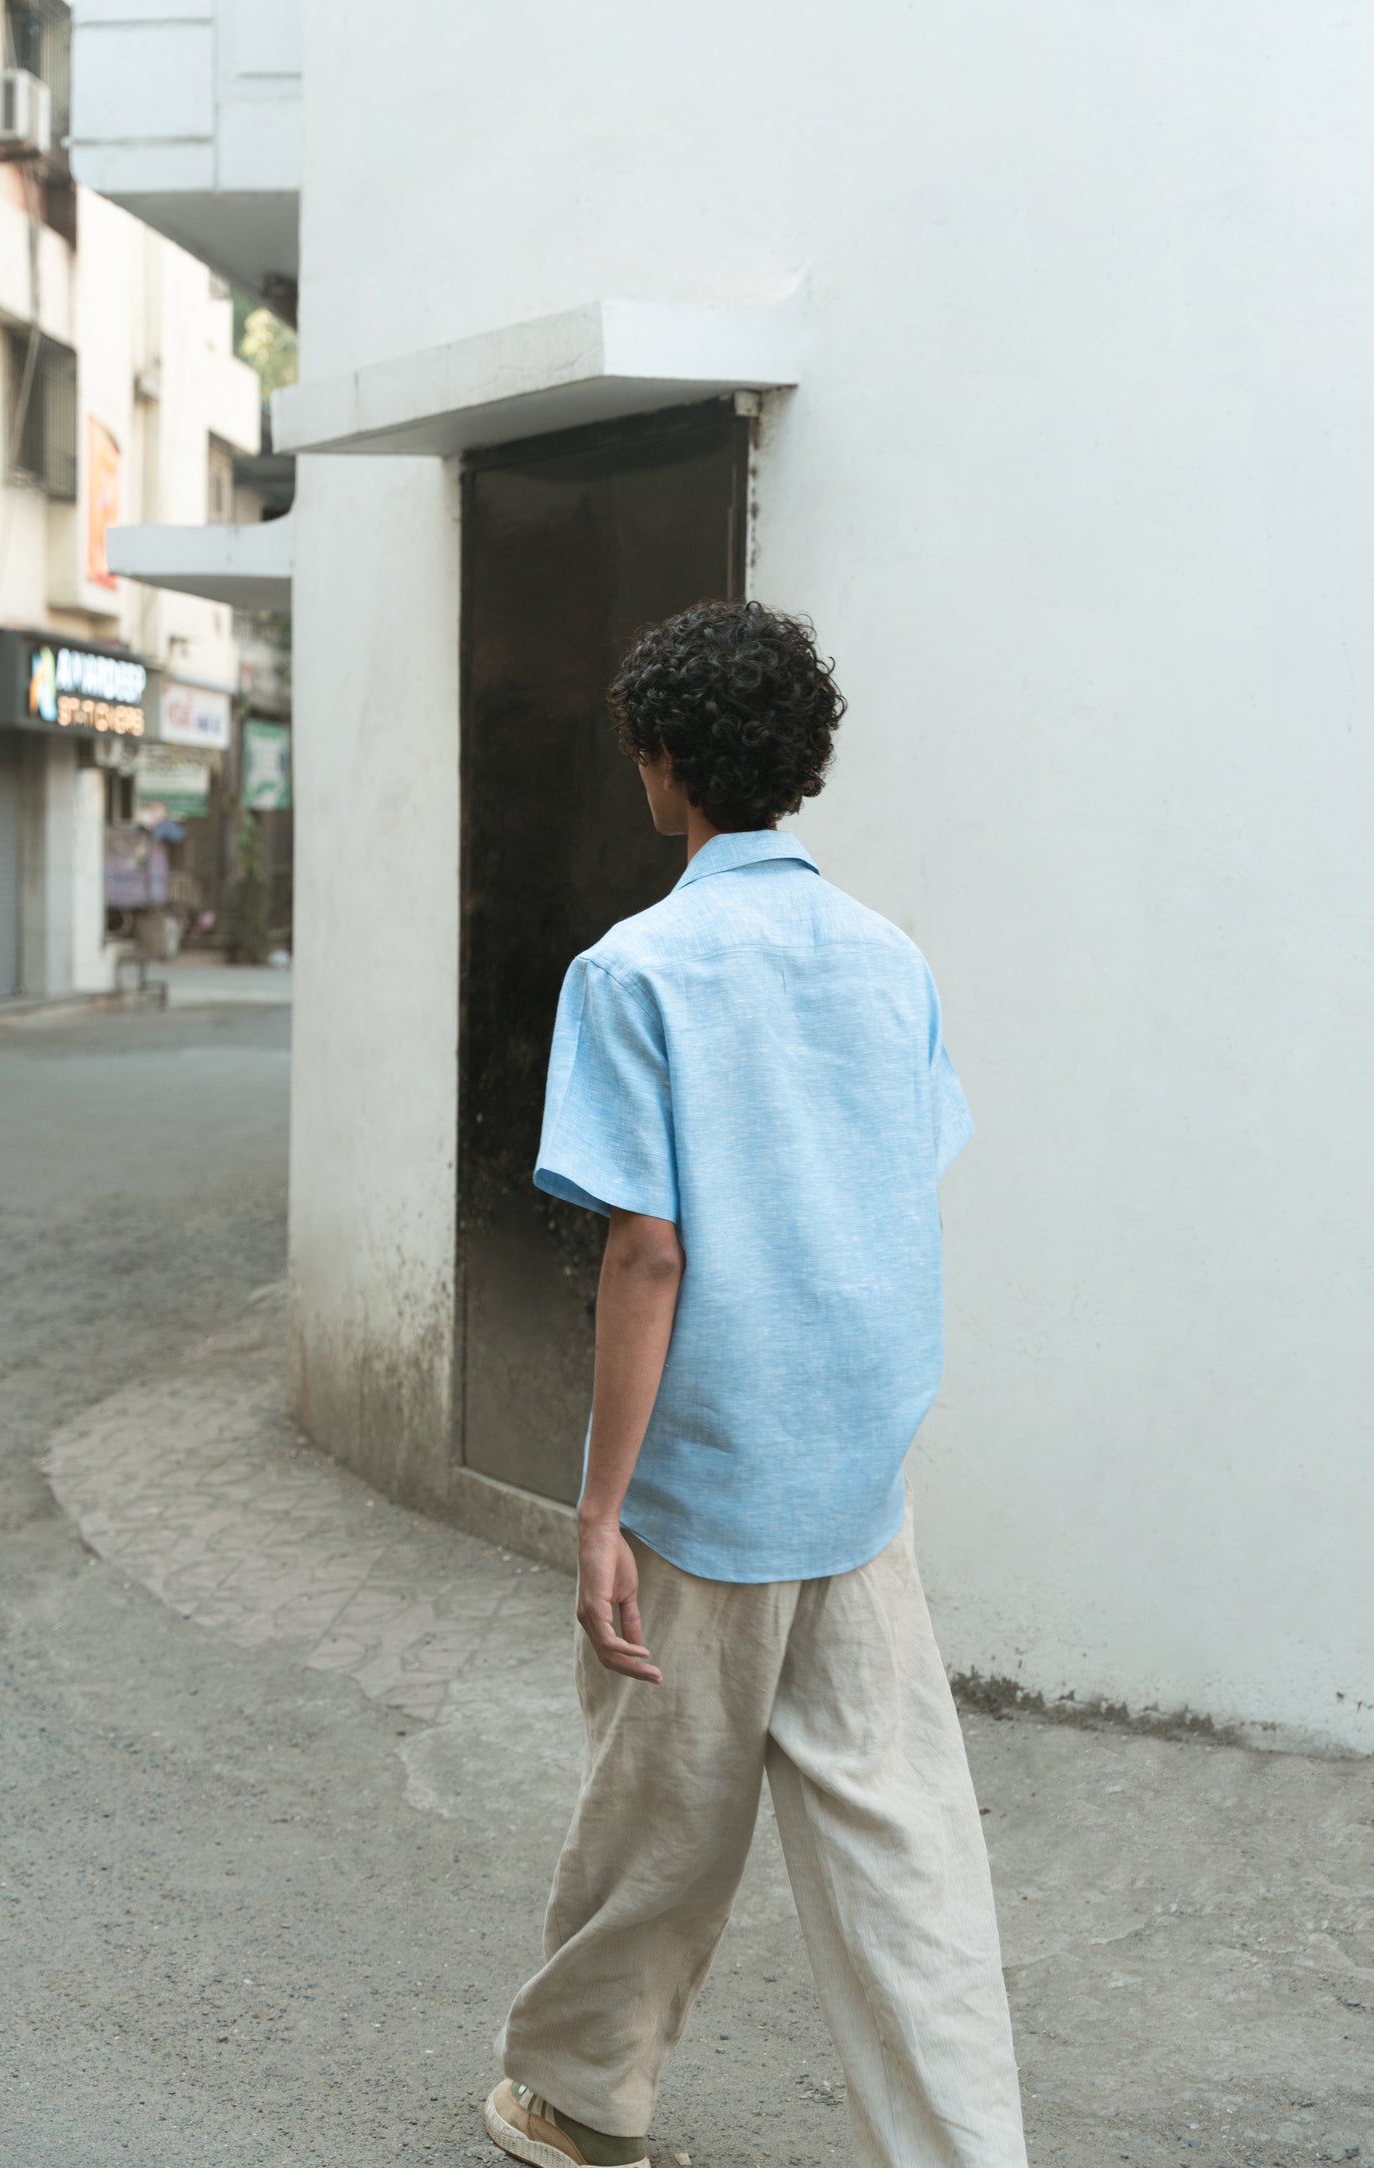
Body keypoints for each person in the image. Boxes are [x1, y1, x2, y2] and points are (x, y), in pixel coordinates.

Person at [484, 600, 1028, 2168]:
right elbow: (896, 1181)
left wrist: (595, 1508)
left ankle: (580, 2102)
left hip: (707, 1474)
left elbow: (645, 1256)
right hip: (856, 1471)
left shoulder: (633, 971)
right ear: (799, 761)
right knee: (906, 1844)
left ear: (661, 765)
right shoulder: (886, 958)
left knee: (660, 1820)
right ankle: (962, 2151)